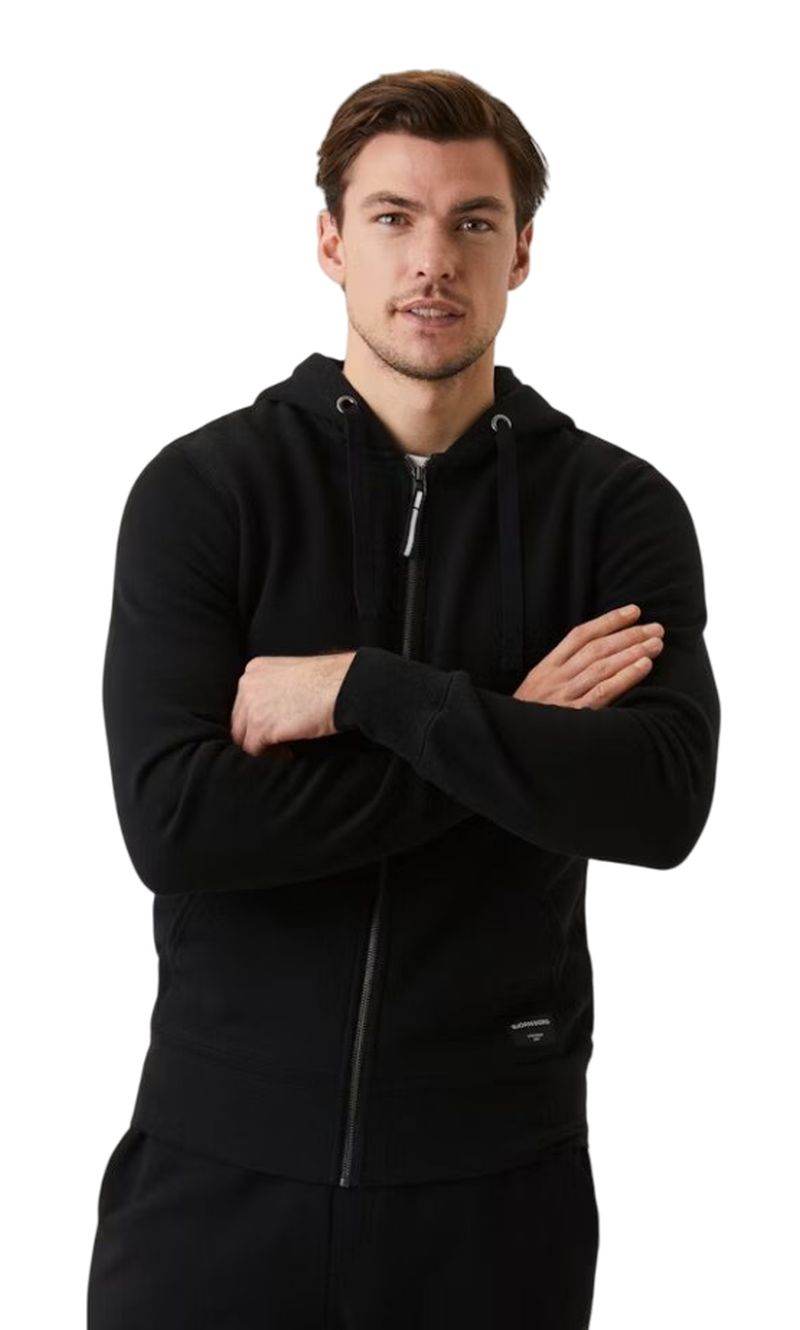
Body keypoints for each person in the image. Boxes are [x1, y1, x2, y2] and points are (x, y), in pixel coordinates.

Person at [86, 67, 721, 1329]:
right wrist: (512, 734)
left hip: (493, 1188)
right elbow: (178, 825)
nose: (432, 259)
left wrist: (370, 692)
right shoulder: (205, 492)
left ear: (520, 251)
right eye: (392, 217)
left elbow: (658, 806)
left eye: (472, 221)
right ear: (330, 241)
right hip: (216, 1173)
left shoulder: (612, 510)